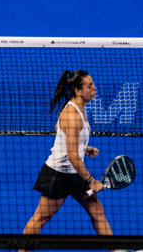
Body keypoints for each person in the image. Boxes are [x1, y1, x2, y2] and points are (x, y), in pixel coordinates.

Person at [20, 70, 113, 251]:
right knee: (41, 218)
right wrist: (91, 181)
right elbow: (71, 155)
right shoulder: (72, 115)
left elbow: (61, 132)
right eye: (89, 86)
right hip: (58, 176)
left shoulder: (78, 108)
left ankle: (117, 250)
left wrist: (83, 148)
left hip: (75, 172)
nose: (94, 88)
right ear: (78, 90)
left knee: (97, 212)